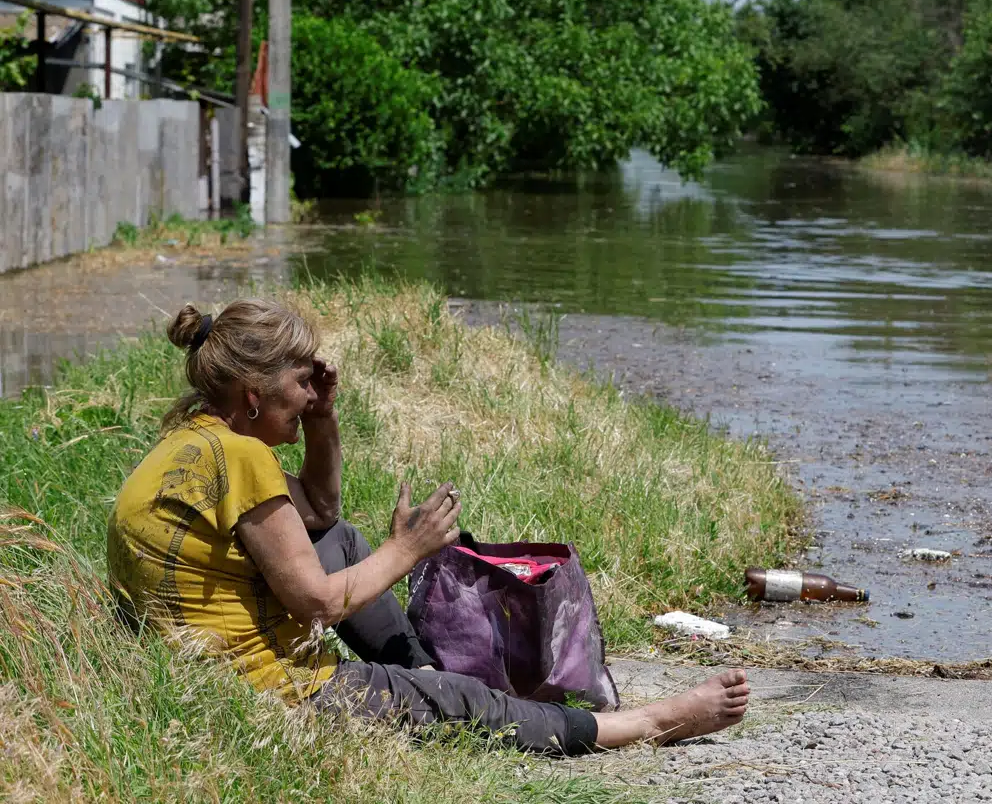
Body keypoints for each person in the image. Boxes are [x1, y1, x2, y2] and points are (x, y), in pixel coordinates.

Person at [107, 298, 749, 755]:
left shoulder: (196, 442)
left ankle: (427, 680)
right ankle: (647, 724)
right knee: (469, 708)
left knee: (339, 542)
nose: (308, 394)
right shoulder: (242, 458)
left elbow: (321, 516)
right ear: (254, 392)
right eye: (302, 383)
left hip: (206, 667)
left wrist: (323, 420)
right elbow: (319, 603)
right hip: (270, 692)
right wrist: (407, 548)